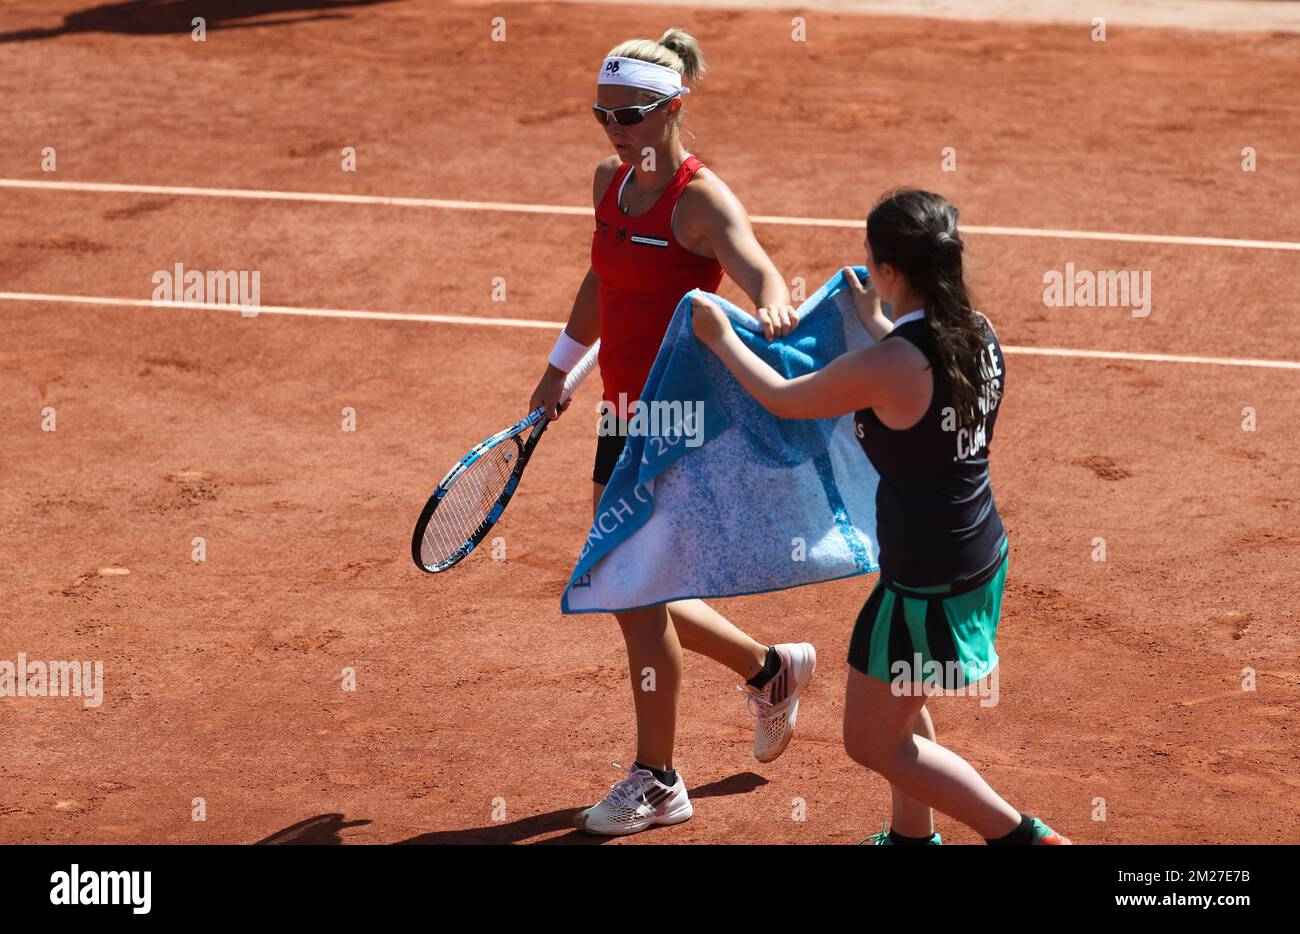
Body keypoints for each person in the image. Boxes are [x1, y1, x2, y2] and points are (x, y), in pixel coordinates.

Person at [691, 188, 1071, 845]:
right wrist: (880, 318)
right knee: (901, 705)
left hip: (923, 584)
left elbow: (785, 400)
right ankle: (910, 838)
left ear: (891, 271)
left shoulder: (890, 363)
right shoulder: (976, 335)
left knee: (872, 742)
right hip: (974, 556)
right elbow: (913, 377)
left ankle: (1020, 837)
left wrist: (721, 338)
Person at [528, 27, 816, 836]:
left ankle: (658, 778)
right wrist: (558, 368)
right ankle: (769, 670)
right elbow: (601, 275)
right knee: (626, 578)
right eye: (603, 115)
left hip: (682, 417)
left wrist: (771, 300)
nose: (616, 130)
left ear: (673, 107)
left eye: (631, 115)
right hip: (623, 408)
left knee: (630, 585)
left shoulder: (699, 197)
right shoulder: (608, 184)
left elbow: (751, 260)